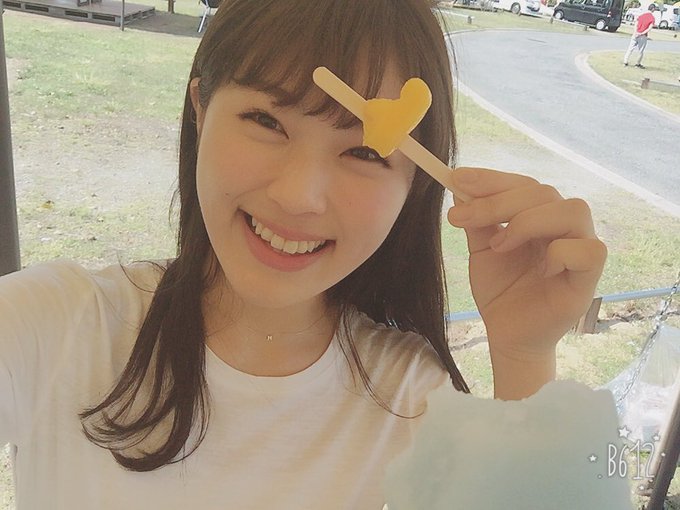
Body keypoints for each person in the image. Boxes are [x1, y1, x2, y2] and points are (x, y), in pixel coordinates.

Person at [0, 0, 607, 508]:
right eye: (266, 121)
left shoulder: (416, 401)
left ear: (413, 188)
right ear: (201, 110)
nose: (298, 196)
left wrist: (524, 358)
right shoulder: (52, 327)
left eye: (364, 152)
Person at [624, 3, 657, 68]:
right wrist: (642, 33)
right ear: (653, 9)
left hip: (635, 34)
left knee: (630, 48)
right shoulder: (652, 18)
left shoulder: (641, 15)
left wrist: (636, 32)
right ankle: (637, 63)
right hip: (642, 36)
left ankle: (625, 61)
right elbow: (649, 28)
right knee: (640, 50)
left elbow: (636, 24)